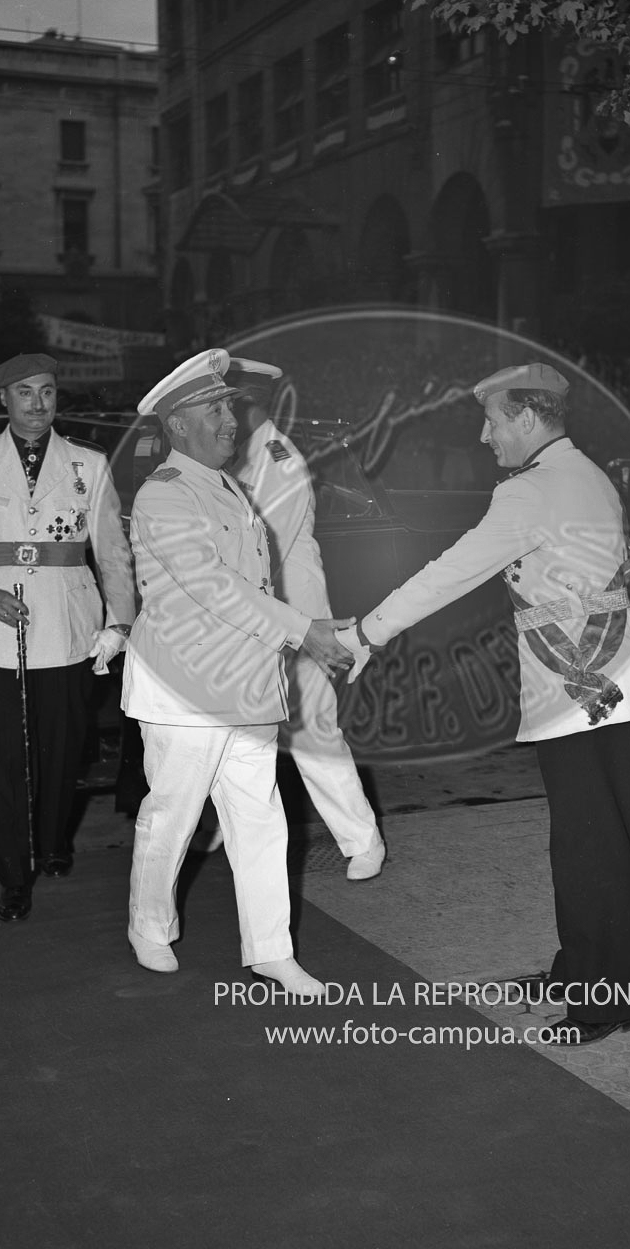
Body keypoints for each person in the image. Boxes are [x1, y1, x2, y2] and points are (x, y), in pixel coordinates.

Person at [343, 362, 630, 1045]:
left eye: (492, 421)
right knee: (597, 838)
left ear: (525, 417)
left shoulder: (532, 493)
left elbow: (450, 572)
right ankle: (587, 971)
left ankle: (604, 999)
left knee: (588, 846)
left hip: (580, 691)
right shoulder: (587, 474)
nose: (486, 436)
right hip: (611, 682)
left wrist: (367, 632)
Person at [121, 348, 355, 992]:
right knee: (171, 813)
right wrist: (301, 629)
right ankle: (149, 925)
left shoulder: (225, 485)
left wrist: (299, 632)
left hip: (248, 686)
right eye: (215, 409)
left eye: (228, 406)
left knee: (261, 820)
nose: (231, 419)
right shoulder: (163, 496)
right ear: (176, 426)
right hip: (185, 690)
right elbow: (214, 587)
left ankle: (271, 950)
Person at [0, 352, 135, 923]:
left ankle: (50, 842)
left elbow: (112, 552)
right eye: (25, 392)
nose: (38, 403)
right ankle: (13, 875)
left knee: (61, 748)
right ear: (4, 398)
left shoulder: (87, 464)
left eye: (46, 391)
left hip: (67, 630)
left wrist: (119, 620)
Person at [225, 357, 385, 880]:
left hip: (293, 612)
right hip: (251, 610)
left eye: (233, 403)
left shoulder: (278, 458)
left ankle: (362, 840)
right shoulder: (229, 456)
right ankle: (223, 828)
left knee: (313, 728)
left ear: (258, 405)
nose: (224, 412)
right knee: (234, 728)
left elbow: (266, 544)